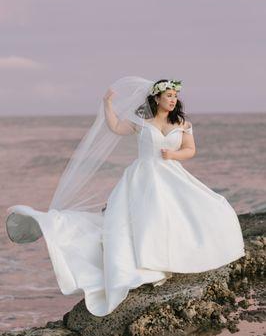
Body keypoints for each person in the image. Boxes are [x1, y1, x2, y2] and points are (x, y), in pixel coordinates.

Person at [6, 76, 245, 316]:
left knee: (200, 209)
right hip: (142, 177)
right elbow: (116, 128)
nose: (173, 100)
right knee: (143, 219)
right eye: (168, 95)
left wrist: (173, 155)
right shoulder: (141, 121)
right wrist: (107, 104)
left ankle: (171, 259)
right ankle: (147, 264)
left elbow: (190, 150)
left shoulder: (182, 122)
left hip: (171, 173)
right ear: (157, 98)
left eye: (175, 96)